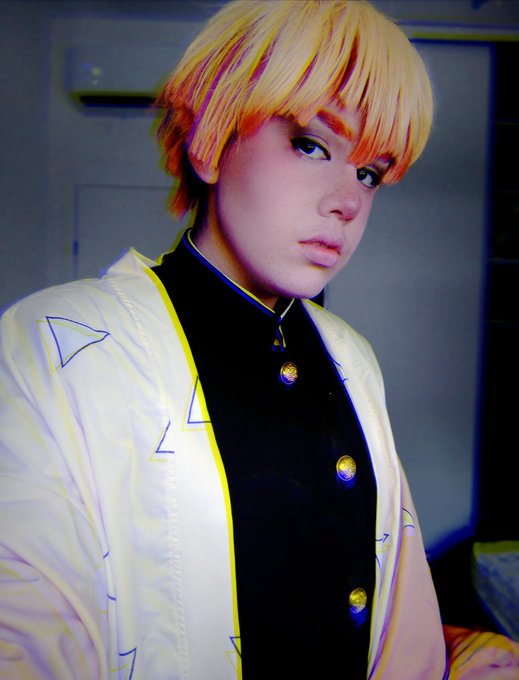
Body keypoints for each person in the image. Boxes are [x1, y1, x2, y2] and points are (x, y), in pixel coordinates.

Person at [0, 1, 448, 678]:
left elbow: (399, 626)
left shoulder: (351, 358)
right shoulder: (53, 346)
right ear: (211, 141)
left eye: (369, 173)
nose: (348, 201)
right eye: (311, 145)